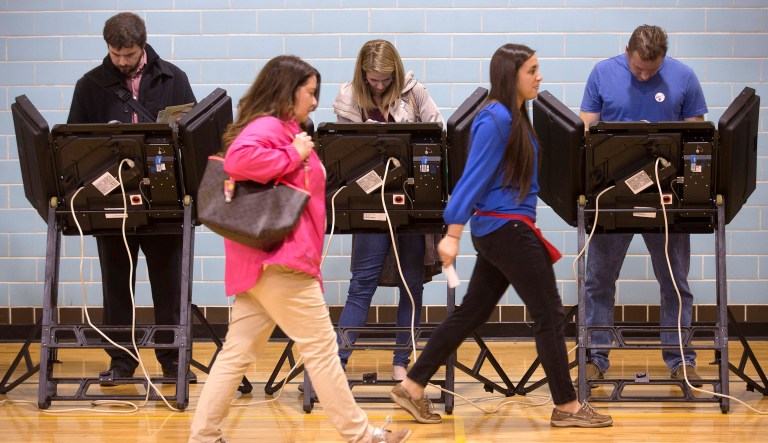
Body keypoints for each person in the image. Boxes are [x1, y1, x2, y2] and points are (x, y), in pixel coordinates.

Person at [388, 44, 613, 428]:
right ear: (511, 75)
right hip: (506, 229)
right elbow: (472, 177)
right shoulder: (494, 118)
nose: (539, 76)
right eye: (532, 70)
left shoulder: (514, 116)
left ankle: (411, 385)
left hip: (505, 229)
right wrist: (453, 232)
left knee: (472, 313)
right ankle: (567, 406)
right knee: (550, 313)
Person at [188, 55, 410, 443]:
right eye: (310, 93)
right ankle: (364, 436)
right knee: (323, 351)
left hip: (260, 265)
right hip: (281, 263)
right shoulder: (270, 126)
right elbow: (239, 160)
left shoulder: (285, 128)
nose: (314, 101)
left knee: (236, 354)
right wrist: (296, 153)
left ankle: (203, 435)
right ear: (287, 92)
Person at [67, 12, 197, 383]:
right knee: (117, 284)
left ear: (143, 45)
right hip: (112, 199)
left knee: (168, 283)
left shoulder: (174, 78)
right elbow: (75, 145)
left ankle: (173, 361)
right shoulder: (90, 85)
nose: (121, 62)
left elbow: (191, 135)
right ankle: (121, 361)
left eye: (129, 54)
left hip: (164, 198)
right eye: (115, 54)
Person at [579, 25, 708, 385]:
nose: (645, 75)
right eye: (638, 69)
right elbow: (585, 129)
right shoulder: (603, 73)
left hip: (666, 197)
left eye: (653, 70)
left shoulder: (684, 77)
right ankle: (596, 356)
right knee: (599, 280)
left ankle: (680, 359)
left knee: (674, 280)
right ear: (627, 51)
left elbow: (696, 137)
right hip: (611, 196)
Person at [333, 39, 444, 381]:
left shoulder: (415, 93)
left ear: (395, 72)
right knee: (361, 285)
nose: (378, 85)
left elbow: (440, 134)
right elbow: (340, 154)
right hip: (368, 203)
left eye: (384, 79)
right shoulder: (349, 97)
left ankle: (401, 363)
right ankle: (336, 365)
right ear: (362, 74)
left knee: (411, 285)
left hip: (409, 203)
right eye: (372, 79)